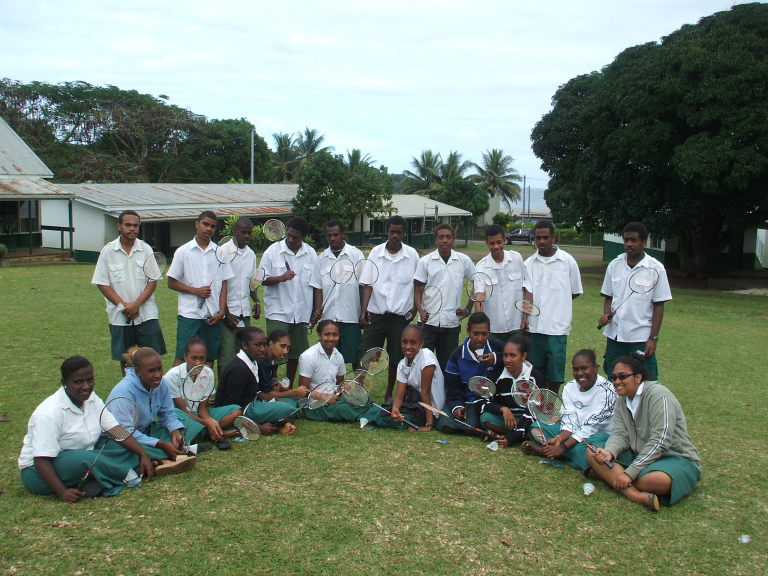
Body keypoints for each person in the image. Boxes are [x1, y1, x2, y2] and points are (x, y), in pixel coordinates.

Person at [18, 356, 153, 501]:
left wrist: (142, 453)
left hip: (85, 455)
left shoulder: (92, 399)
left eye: (90, 380)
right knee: (86, 458)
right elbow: (41, 460)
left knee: (118, 445)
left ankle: (105, 476)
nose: (86, 386)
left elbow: (115, 429)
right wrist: (62, 492)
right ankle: (128, 473)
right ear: (64, 383)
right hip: (40, 472)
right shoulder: (49, 412)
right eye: (78, 382)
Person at [587, 354, 701, 512]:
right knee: (592, 451)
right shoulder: (622, 399)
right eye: (613, 377)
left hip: (673, 457)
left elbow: (660, 441)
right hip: (638, 453)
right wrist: (609, 453)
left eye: (622, 376)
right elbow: (621, 434)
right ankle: (636, 495)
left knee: (655, 480)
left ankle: (613, 477)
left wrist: (630, 473)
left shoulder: (659, 395)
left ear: (638, 377)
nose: (616, 382)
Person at [91, 210, 167, 373]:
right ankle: (130, 391)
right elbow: (102, 283)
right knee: (127, 360)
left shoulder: (146, 249)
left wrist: (136, 304)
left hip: (147, 314)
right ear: (119, 226)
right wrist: (123, 306)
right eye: (128, 225)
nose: (132, 229)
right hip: (120, 316)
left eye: (135, 225)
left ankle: (153, 392)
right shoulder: (108, 251)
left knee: (153, 357)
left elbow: (152, 281)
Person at [597, 222, 672, 380]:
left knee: (645, 379)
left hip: (641, 337)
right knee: (614, 377)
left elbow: (659, 306)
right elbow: (608, 297)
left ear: (644, 242)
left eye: (633, 240)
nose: (629, 244)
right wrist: (606, 314)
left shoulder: (656, 268)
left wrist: (653, 338)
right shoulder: (614, 265)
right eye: (626, 240)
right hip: (615, 335)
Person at [521, 349, 616, 471]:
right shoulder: (569, 387)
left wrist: (563, 447)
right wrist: (559, 438)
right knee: (536, 428)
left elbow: (590, 427)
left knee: (588, 450)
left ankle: (553, 453)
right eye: (576, 369)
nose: (580, 373)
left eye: (584, 368)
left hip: (598, 436)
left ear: (595, 367)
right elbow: (570, 419)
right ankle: (566, 455)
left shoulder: (608, 391)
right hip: (574, 434)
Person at [107, 347, 197, 475]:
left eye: (159, 368)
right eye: (151, 371)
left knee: (186, 424)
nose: (158, 375)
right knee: (125, 450)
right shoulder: (123, 392)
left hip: (147, 430)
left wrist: (174, 431)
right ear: (137, 371)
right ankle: (163, 459)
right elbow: (125, 433)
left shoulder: (160, 382)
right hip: (122, 439)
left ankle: (166, 455)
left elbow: (167, 412)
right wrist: (159, 443)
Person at [359, 215, 420, 400]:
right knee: (367, 354)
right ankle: (360, 390)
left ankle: (388, 394)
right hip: (376, 314)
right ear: (387, 232)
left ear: (404, 233)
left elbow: (418, 286)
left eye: (399, 232)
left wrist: (414, 312)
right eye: (392, 231)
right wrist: (363, 312)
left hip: (400, 318)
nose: (395, 235)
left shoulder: (412, 256)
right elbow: (367, 284)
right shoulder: (376, 253)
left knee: (396, 358)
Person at [167, 211, 233, 368]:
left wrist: (222, 311)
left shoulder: (220, 252)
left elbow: (224, 283)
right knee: (182, 355)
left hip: (213, 314)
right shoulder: (183, 251)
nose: (208, 229)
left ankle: (204, 391)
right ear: (197, 224)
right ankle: (176, 390)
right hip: (189, 312)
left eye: (213, 226)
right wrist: (195, 291)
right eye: (205, 224)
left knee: (208, 357)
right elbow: (171, 282)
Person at [260, 216, 321, 387]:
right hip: (278, 311)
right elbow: (261, 279)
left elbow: (316, 285)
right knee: (274, 351)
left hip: (301, 313)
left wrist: (316, 310)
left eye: (296, 237)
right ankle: (270, 384)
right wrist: (281, 277)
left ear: (303, 237)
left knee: (296, 352)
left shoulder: (311, 254)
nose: (292, 239)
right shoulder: (272, 252)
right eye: (290, 235)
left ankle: (287, 383)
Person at [524, 220, 583, 393]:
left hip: (557, 328)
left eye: (545, 237)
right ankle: (536, 407)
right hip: (535, 328)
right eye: (538, 238)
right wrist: (526, 318)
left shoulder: (567, 261)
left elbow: (574, 291)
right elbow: (527, 293)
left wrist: (559, 305)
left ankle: (550, 406)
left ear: (553, 237)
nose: (541, 241)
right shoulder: (529, 263)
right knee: (536, 372)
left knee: (555, 374)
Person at [217, 326, 301, 435]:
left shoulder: (253, 361)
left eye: (264, 345)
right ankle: (279, 424)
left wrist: (271, 399)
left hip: (253, 402)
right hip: (243, 409)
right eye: (257, 345)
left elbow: (256, 391)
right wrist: (258, 427)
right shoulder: (239, 368)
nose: (262, 349)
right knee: (289, 409)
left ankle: (280, 422)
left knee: (291, 402)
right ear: (245, 345)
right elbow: (232, 407)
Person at [414, 223, 475, 369]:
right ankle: (421, 392)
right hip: (428, 322)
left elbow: (478, 282)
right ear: (436, 239)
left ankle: (444, 392)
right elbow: (418, 290)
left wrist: (468, 309)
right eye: (441, 237)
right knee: (423, 363)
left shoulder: (463, 260)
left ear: (453, 239)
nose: (445, 240)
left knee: (447, 365)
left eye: (448, 237)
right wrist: (420, 310)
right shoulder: (425, 261)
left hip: (451, 323)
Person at [164, 338, 243, 451]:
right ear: (185, 357)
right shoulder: (172, 376)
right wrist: (207, 422)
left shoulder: (208, 373)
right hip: (182, 416)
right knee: (180, 420)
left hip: (198, 414)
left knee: (236, 411)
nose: (198, 363)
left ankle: (210, 431)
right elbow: (184, 411)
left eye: (202, 358)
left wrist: (211, 420)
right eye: (193, 358)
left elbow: (202, 407)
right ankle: (216, 433)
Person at [361, 325, 444, 431]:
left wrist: (429, 425)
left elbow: (425, 393)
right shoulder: (402, 364)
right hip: (415, 404)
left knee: (382, 418)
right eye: (405, 342)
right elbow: (399, 396)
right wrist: (395, 410)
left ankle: (423, 422)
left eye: (413, 342)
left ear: (421, 344)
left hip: (431, 410)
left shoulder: (426, 356)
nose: (408, 346)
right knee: (379, 411)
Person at [311, 219, 365, 367]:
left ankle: (357, 389)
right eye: (329, 235)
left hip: (351, 317)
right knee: (329, 360)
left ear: (343, 234)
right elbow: (318, 288)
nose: (332, 238)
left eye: (336, 234)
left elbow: (364, 285)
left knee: (356, 358)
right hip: (328, 318)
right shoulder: (321, 259)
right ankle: (332, 389)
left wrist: (363, 312)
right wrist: (317, 310)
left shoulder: (356, 255)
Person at [442, 312, 505, 435]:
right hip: (466, 401)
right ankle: (472, 423)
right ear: (468, 332)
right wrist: (457, 406)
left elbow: (518, 356)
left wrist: (497, 358)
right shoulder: (457, 355)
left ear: (489, 333)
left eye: (484, 334)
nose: (480, 338)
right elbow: (453, 389)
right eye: (476, 334)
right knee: (445, 424)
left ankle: (476, 426)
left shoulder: (496, 347)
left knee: (471, 425)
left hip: (489, 402)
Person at [481, 336, 545, 446]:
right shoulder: (497, 375)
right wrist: (503, 409)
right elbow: (484, 401)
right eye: (505, 355)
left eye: (513, 355)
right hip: (507, 418)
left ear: (524, 356)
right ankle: (520, 434)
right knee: (485, 418)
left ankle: (517, 433)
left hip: (528, 418)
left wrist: (514, 437)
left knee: (537, 427)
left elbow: (534, 410)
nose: (507, 360)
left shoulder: (535, 376)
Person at [299, 320, 368, 422]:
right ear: (319, 335)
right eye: (327, 334)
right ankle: (365, 416)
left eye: (335, 335)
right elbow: (303, 392)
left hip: (334, 398)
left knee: (364, 399)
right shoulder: (308, 356)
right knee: (344, 409)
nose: (331, 338)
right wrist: (325, 398)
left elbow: (340, 384)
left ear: (339, 336)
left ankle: (364, 413)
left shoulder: (338, 356)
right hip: (313, 405)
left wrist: (344, 387)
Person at [474, 224, 533, 341]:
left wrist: (526, 317)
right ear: (486, 243)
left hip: (516, 326)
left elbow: (527, 287)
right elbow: (479, 295)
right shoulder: (481, 266)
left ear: (505, 240)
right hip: (493, 329)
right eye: (492, 243)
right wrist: (480, 323)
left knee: (515, 359)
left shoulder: (517, 259)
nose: (496, 246)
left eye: (499, 242)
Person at [218, 217, 258, 370]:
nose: (246, 236)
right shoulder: (223, 252)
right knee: (226, 356)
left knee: (245, 355)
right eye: (243, 232)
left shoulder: (251, 255)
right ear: (234, 232)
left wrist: (256, 301)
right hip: (228, 314)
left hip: (244, 313)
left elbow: (251, 284)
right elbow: (220, 285)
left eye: (249, 233)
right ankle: (225, 392)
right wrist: (226, 314)